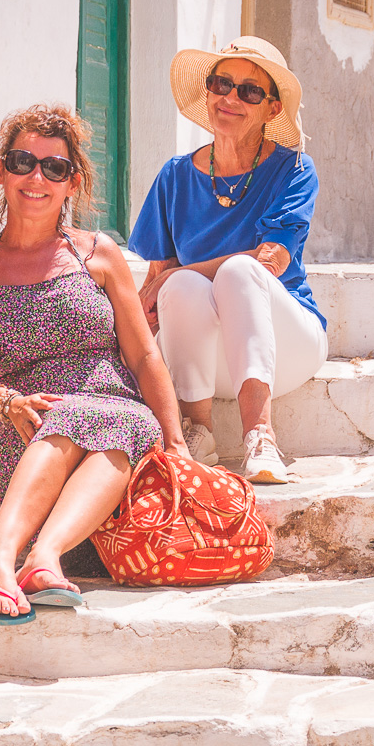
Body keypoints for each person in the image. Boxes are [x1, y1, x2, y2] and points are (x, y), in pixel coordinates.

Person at [0, 106, 188, 621]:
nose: (37, 178)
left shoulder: (98, 254)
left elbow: (143, 354)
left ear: (72, 183)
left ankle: (27, 557)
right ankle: (20, 558)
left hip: (118, 417)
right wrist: (5, 402)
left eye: (54, 168)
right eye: (23, 162)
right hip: (29, 425)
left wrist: (177, 443)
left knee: (118, 422)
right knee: (70, 417)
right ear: (1, 171)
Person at [130, 36, 328, 485]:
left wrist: (181, 272)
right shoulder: (175, 176)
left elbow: (270, 261)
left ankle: (260, 436)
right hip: (206, 359)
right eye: (221, 83)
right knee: (180, 287)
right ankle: (197, 431)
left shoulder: (294, 170)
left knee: (240, 271)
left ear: (272, 109)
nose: (231, 98)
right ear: (208, 92)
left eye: (250, 91)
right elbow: (156, 286)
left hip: (285, 348)